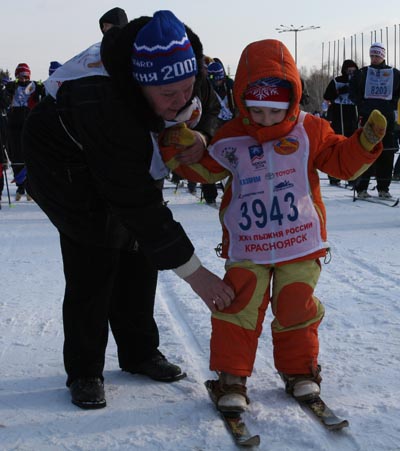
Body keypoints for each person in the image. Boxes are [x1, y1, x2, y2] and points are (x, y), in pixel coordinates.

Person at [22, 10, 234, 410]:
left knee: (138, 253)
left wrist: (201, 136)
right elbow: (137, 202)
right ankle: (84, 370)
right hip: (63, 162)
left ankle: (139, 352)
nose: (180, 101)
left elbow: (202, 98)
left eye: (184, 89)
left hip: (128, 149)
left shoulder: (183, 57)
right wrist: (197, 275)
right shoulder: (101, 98)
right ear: (139, 84)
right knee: (94, 255)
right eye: (167, 95)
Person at [160, 38, 385, 412]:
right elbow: (205, 170)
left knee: (295, 306)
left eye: (274, 111)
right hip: (249, 247)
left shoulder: (310, 129)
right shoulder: (232, 134)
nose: (265, 120)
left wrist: (364, 143)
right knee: (238, 307)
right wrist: (178, 150)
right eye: (257, 111)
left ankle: (300, 372)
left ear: (292, 101)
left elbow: (340, 162)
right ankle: (232, 376)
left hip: (300, 244)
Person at [349, 42, 400, 199]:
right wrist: (362, 104)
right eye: (372, 55)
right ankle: (362, 188)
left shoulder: (394, 73)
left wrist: (392, 104)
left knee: (387, 153)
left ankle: (383, 188)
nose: (374, 58)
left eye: (377, 55)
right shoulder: (363, 73)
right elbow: (352, 92)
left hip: (388, 119)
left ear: (383, 56)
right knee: (366, 150)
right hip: (368, 117)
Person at [4, 64, 44, 200]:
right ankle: (20, 187)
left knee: (30, 155)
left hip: (29, 123)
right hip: (14, 126)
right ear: (16, 76)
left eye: (26, 76)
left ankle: (30, 187)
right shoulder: (12, 87)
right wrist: (6, 90)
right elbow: (4, 100)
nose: (24, 78)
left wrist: (40, 89)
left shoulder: (34, 86)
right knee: (16, 156)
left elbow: (43, 97)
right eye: (21, 76)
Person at [323, 59, 359, 185]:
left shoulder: (358, 81)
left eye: (353, 71)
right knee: (337, 146)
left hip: (352, 116)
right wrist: (339, 91)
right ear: (344, 70)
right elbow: (327, 96)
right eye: (349, 71)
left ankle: (352, 177)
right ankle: (334, 176)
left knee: (352, 148)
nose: (351, 73)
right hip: (339, 115)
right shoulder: (337, 81)